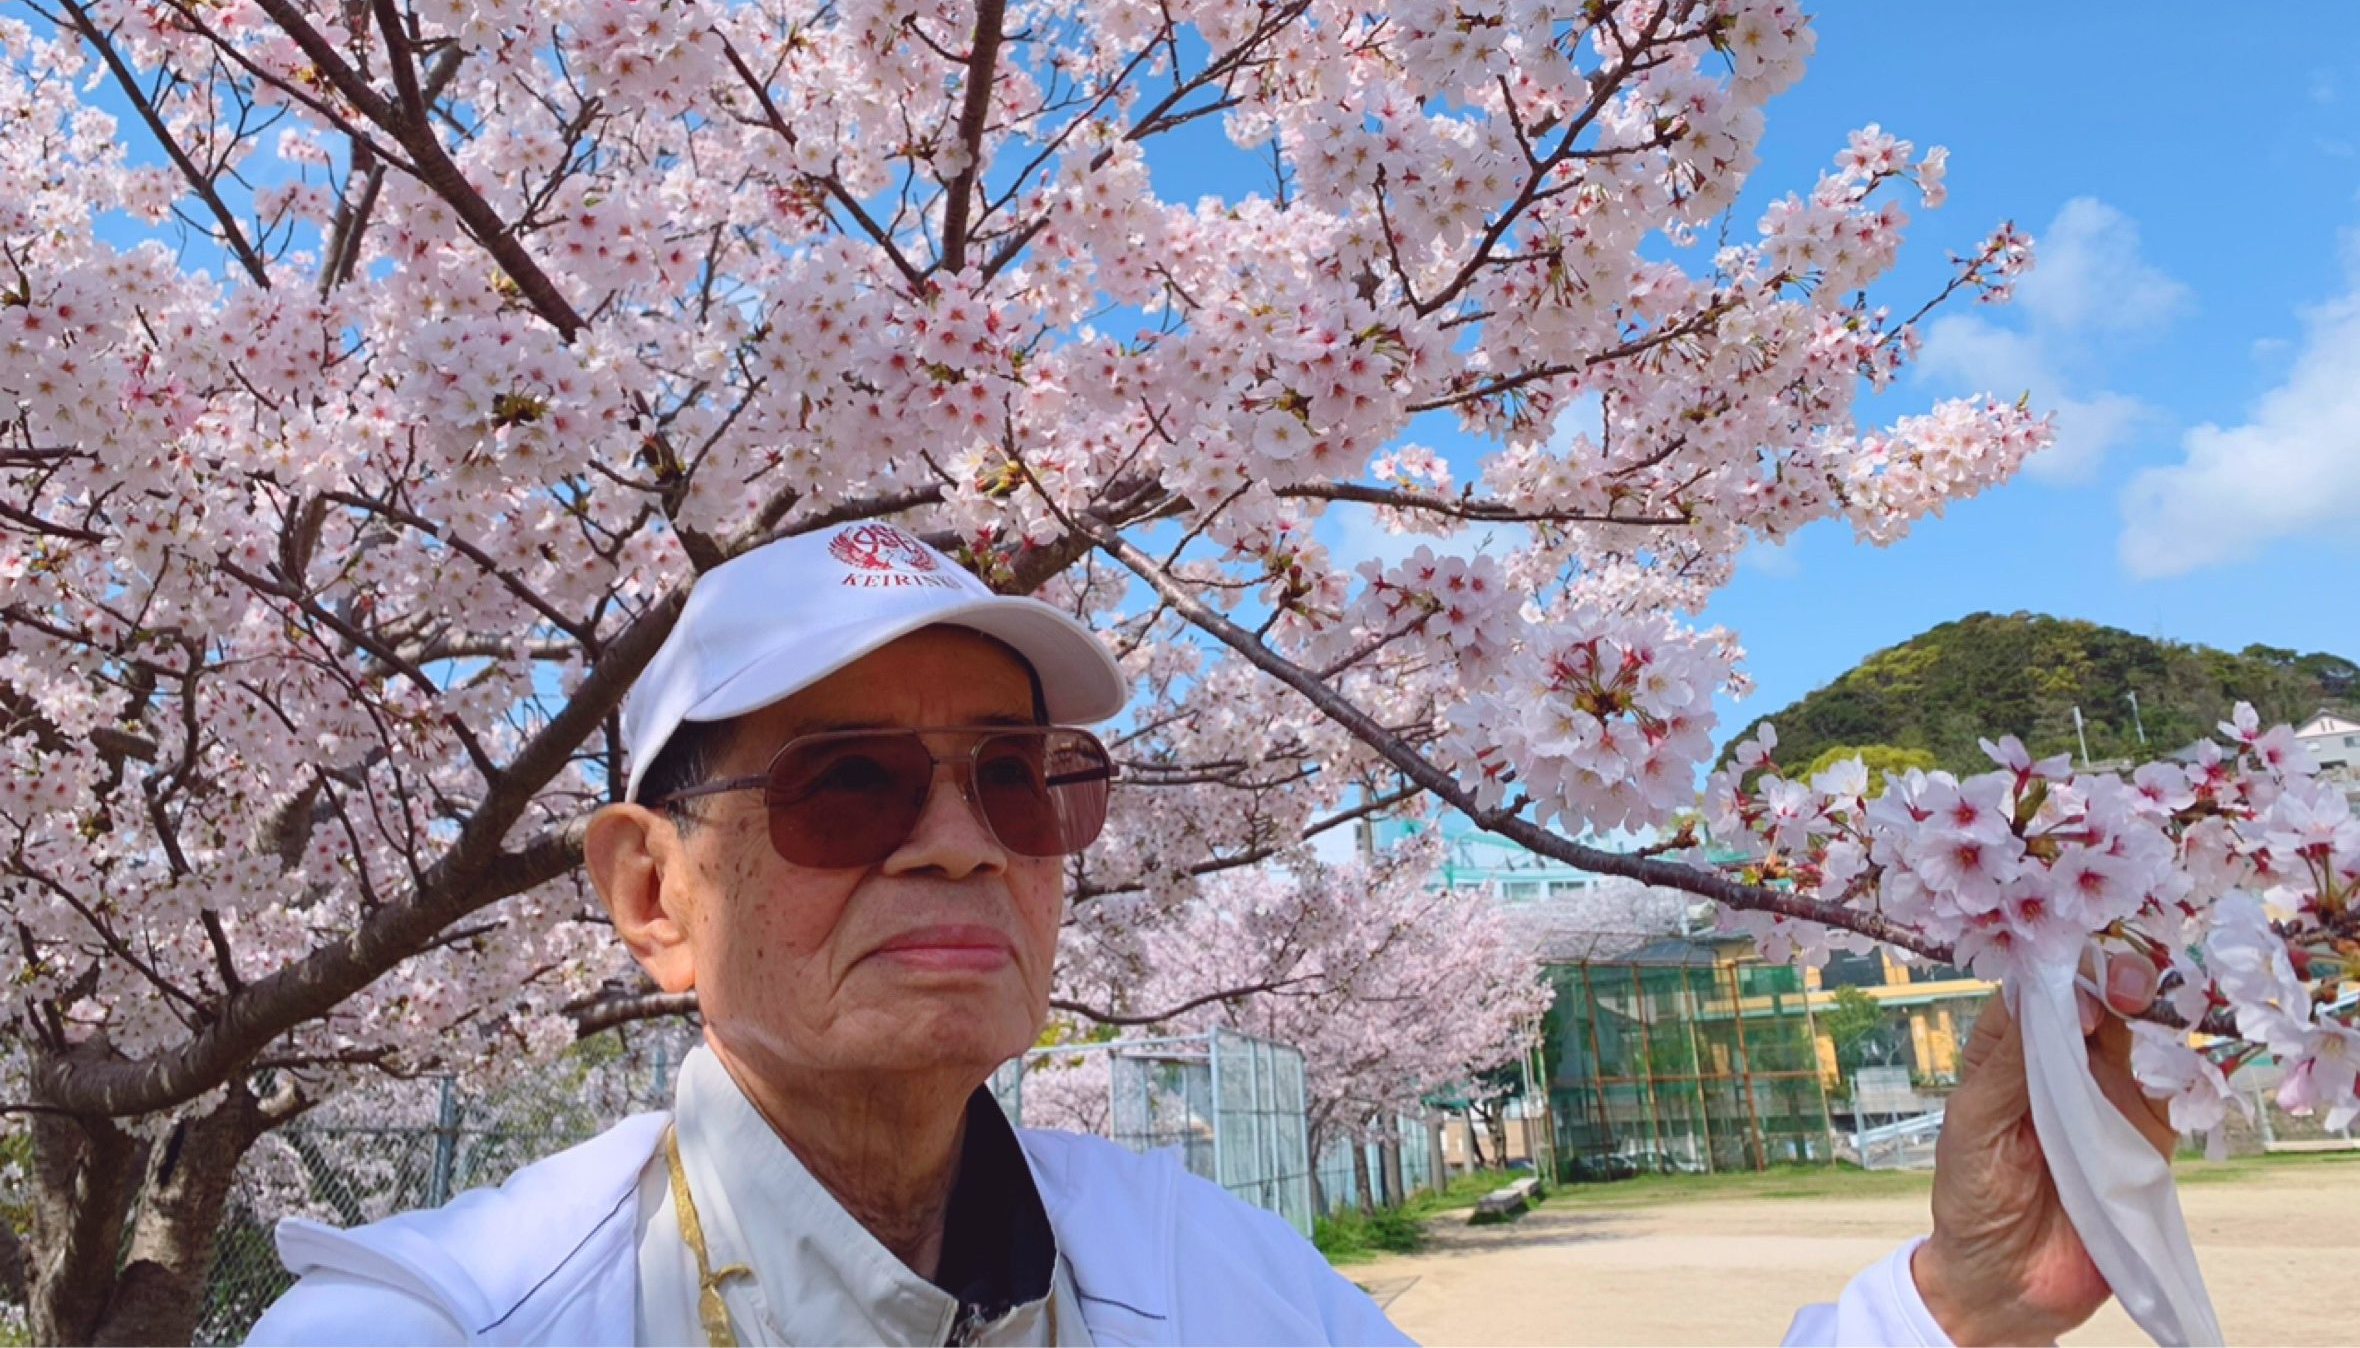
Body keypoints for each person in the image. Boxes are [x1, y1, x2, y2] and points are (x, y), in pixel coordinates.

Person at [248, 520, 2176, 1348]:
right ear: (651, 894)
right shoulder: (441, 1327)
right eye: (849, 787)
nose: (957, 848)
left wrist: (1954, 1304)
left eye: (1021, 783)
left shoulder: (1203, 1272)